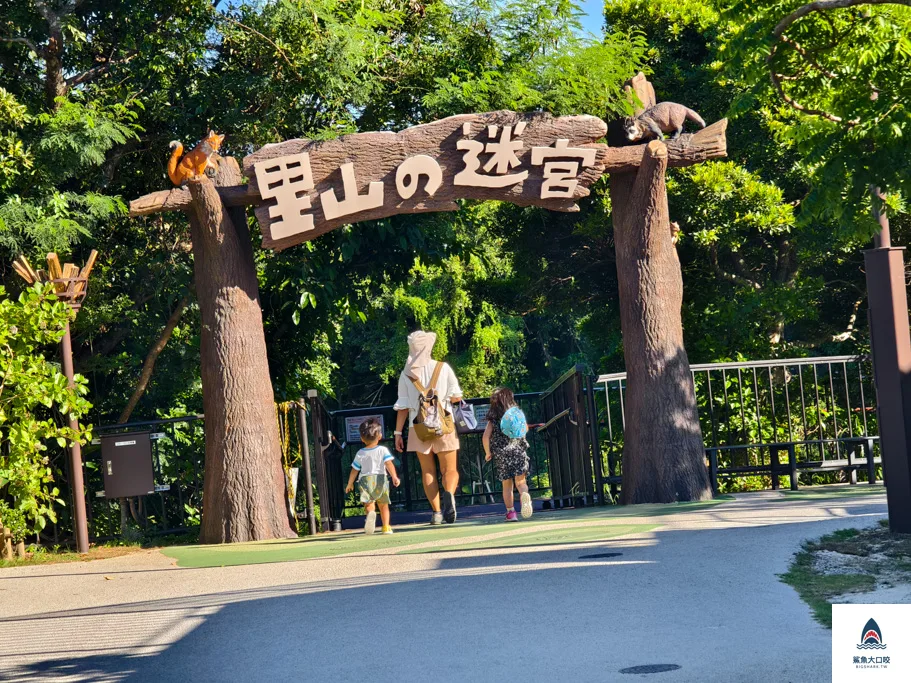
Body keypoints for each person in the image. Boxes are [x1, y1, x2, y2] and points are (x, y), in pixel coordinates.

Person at [393, 330, 463, 525]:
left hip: (418, 427)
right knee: (449, 469)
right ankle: (449, 494)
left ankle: (437, 513)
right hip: (443, 424)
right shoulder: (443, 368)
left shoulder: (407, 374)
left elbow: (403, 406)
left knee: (428, 472)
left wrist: (398, 433)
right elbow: (456, 396)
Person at [483, 387, 532, 522]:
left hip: (502, 455)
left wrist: (488, 452)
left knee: (507, 485)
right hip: (518, 452)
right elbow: (525, 429)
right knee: (521, 482)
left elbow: (485, 437)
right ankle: (524, 495)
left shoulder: (493, 419)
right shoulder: (517, 415)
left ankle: (511, 513)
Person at [345, 418, 400, 535]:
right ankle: (386, 527)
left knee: (369, 503)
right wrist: (395, 477)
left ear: (362, 438)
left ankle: (370, 514)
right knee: (383, 504)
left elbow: (354, 470)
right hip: (380, 479)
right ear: (379, 436)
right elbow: (389, 464)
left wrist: (350, 483)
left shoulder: (360, 453)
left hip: (365, 480)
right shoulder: (383, 450)